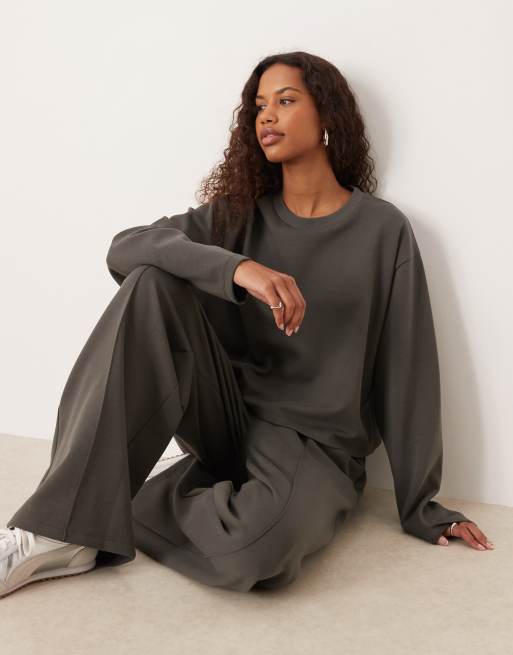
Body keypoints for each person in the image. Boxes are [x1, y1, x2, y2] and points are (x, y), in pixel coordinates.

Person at [0, 51, 494, 599]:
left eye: (286, 100)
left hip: (316, 445)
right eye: (259, 106)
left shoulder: (383, 230)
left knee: (251, 552)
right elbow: (127, 246)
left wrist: (421, 504)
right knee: (152, 281)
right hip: (227, 420)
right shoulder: (239, 215)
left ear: (327, 115)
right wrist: (238, 269)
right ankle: (60, 529)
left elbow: (408, 368)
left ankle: (111, 504)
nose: (267, 116)